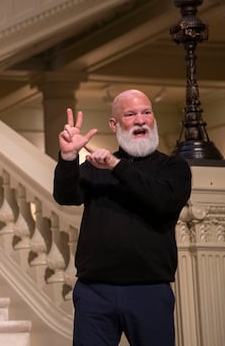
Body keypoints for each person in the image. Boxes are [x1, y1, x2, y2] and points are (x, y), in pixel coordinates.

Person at [52, 89, 191, 346]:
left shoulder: (173, 168)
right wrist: (69, 158)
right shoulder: (96, 167)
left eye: (146, 112)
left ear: (154, 120)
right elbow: (65, 196)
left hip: (149, 291)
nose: (140, 120)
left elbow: (162, 200)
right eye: (131, 114)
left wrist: (116, 166)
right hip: (95, 292)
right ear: (114, 124)